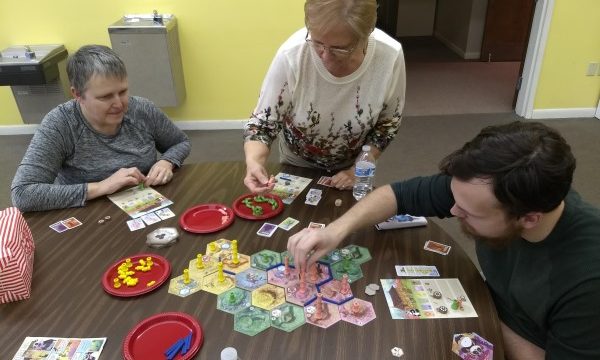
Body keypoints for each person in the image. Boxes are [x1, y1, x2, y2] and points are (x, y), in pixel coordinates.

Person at [288, 121, 600, 359]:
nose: (451, 210)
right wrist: (334, 231)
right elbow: (395, 195)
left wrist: (479, 313)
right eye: (454, 197)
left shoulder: (588, 284)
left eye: (468, 212)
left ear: (528, 218)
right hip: (481, 309)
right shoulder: (490, 187)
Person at [243, 0, 406, 193]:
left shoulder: (389, 56)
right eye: (318, 43)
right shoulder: (292, 54)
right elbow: (263, 123)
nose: (325, 56)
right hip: (297, 162)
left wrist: (358, 170)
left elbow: (387, 125)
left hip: (353, 166)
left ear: (367, 33)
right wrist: (254, 161)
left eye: (340, 48)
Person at [11, 45, 190, 212]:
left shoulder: (142, 109)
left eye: (123, 92)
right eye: (105, 97)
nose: (119, 104)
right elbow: (23, 194)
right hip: (88, 215)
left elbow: (180, 142)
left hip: (143, 204)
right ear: (77, 94)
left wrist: (167, 161)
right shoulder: (60, 124)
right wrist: (102, 186)